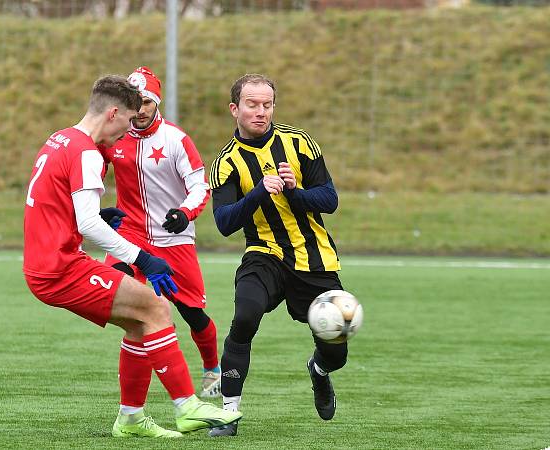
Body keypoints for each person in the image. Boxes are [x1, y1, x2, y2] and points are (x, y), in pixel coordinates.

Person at [22, 75, 242, 438]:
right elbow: (89, 224)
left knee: (140, 321)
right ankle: (187, 405)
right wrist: (144, 258)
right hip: (58, 268)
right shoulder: (87, 152)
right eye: (126, 121)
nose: (126, 131)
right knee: (157, 307)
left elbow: (62, 205)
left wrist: (89, 217)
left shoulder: (60, 138)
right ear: (112, 113)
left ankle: (131, 418)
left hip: (48, 261)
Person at [207, 74, 348, 437]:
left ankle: (318, 371)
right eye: (252, 105)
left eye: (267, 104)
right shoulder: (226, 162)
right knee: (245, 316)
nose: (261, 112)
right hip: (264, 254)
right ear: (234, 109)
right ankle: (228, 414)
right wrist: (256, 193)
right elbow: (224, 223)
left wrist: (294, 190)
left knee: (336, 351)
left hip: (313, 257)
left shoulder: (299, 143)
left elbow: (329, 200)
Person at [102, 67, 220, 398]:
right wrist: (95, 211)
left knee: (193, 314)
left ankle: (212, 368)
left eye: (147, 103)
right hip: (130, 236)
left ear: (157, 102)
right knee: (114, 292)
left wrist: (184, 213)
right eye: (134, 103)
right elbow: (90, 172)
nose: (139, 111)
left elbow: (199, 186)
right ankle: (132, 405)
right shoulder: (114, 137)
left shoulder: (177, 140)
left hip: (174, 240)